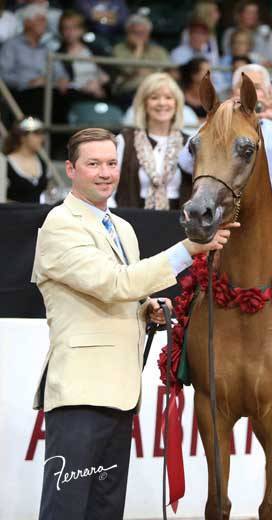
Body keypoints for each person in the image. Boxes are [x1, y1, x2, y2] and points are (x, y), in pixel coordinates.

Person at [32, 127, 236, 520]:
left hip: (120, 392)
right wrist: (188, 250)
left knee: (106, 509)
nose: (105, 172)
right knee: (66, 509)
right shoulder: (61, 223)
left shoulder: (122, 228)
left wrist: (147, 308)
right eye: (93, 164)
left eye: (111, 163)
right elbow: (113, 283)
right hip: (79, 392)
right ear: (71, 169)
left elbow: (123, 292)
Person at [179, 63, 272, 199]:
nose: (249, 92)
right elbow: (186, 162)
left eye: (256, 87)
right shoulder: (216, 123)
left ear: (267, 93)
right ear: (233, 92)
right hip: (226, 210)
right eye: (242, 87)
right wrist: (220, 120)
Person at [113, 72, 189, 210]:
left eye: (168, 97)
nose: (162, 103)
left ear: (177, 103)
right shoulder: (124, 140)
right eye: (154, 98)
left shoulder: (189, 144)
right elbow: (109, 190)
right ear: (144, 103)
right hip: (131, 218)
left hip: (176, 219)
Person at [0, 4, 69, 120]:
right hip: (22, 94)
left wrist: (62, 79)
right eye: (40, 20)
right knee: (39, 96)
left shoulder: (46, 49)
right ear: (27, 22)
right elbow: (3, 75)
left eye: (45, 20)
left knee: (69, 96)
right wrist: (28, 83)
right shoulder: (11, 45)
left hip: (49, 92)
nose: (45, 24)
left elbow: (60, 72)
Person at [111, 14, 170, 106]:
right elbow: (128, 69)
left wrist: (149, 75)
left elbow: (168, 72)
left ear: (148, 34)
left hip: (157, 89)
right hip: (129, 92)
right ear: (127, 33)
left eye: (142, 33)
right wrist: (138, 49)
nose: (139, 36)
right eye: (135, 32)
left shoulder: (159, 51)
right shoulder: (118, 49)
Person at [57, 10, 109, 100]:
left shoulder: (94, 49)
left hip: (98, 90)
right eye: (66, 28)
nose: (70, 32)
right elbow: (63, 83)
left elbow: (107, 74)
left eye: (74, 28)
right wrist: (84, 88)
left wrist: (98, 83)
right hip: (75, 95)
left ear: (82, 30)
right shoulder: (58, 54)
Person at [0, 117, 48, 203]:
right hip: (13, 211)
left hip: (40, 211)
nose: (41, 138)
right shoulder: (5, 163)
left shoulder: (42, 163)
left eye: (42, 134)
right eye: (36, 133)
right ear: (22, 136)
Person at [179, 57, 212, 122]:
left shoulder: (212, 96)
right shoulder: (179, 95)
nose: (211, 75)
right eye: (206, 72)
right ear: (194, 75)